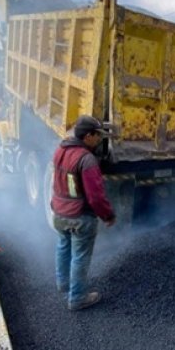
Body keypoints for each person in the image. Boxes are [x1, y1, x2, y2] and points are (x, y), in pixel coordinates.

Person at [50, 115, 116, 310]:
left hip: (59, 212)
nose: (100, 140)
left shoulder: (60, 150)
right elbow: (95, 196)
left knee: (63, 246)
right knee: (80, 256)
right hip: (79, 217)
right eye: (98, 136)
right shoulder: (87, 160)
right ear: (88, 136)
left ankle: (63, 283)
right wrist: (108, 215)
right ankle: (77, 297)